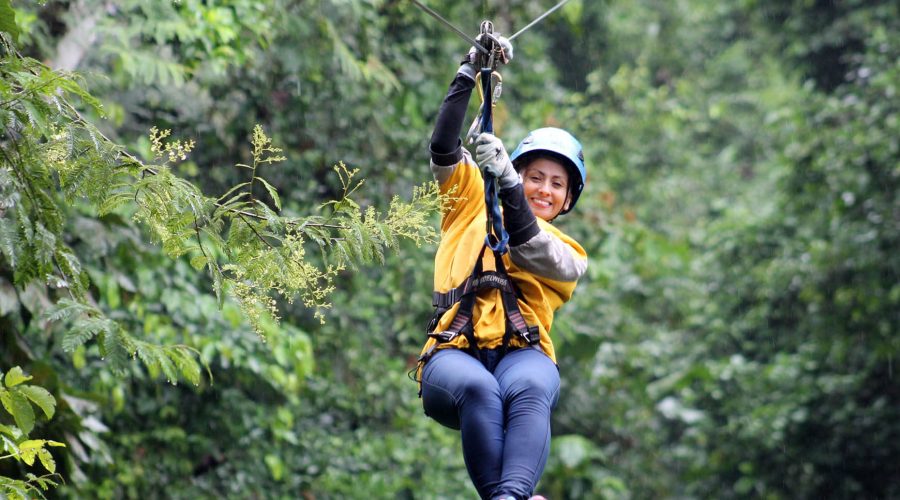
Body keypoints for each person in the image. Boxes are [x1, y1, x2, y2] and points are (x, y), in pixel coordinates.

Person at [415, 35, 588, 500]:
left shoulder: (565, 252)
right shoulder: (468, 201)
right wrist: (470, 69)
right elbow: (444, 145)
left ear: (567, 200)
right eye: (534, 177)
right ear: (515, 170)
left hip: (522, 353)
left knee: (532, 386)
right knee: (478, 389)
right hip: (453, 353)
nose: (544, 189)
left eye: (556, 184)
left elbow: (528, 245)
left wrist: (511, 184)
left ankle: (509, 497)